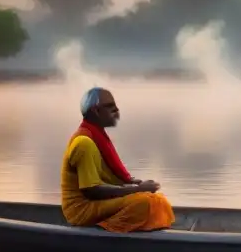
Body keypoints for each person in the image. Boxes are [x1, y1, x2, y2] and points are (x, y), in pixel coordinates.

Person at [60, 87, 176, 232]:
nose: (116, 110)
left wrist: (134, 183)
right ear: (96, 111)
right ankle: (107, 228)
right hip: (82, 211)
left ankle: (131, 226)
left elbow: (105, 177)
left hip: (96, 202)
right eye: (110, 107)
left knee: (158, 200)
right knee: (145, 202)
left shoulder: (98, 138)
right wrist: (137, 189)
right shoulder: (84, 143)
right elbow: (91, 191)